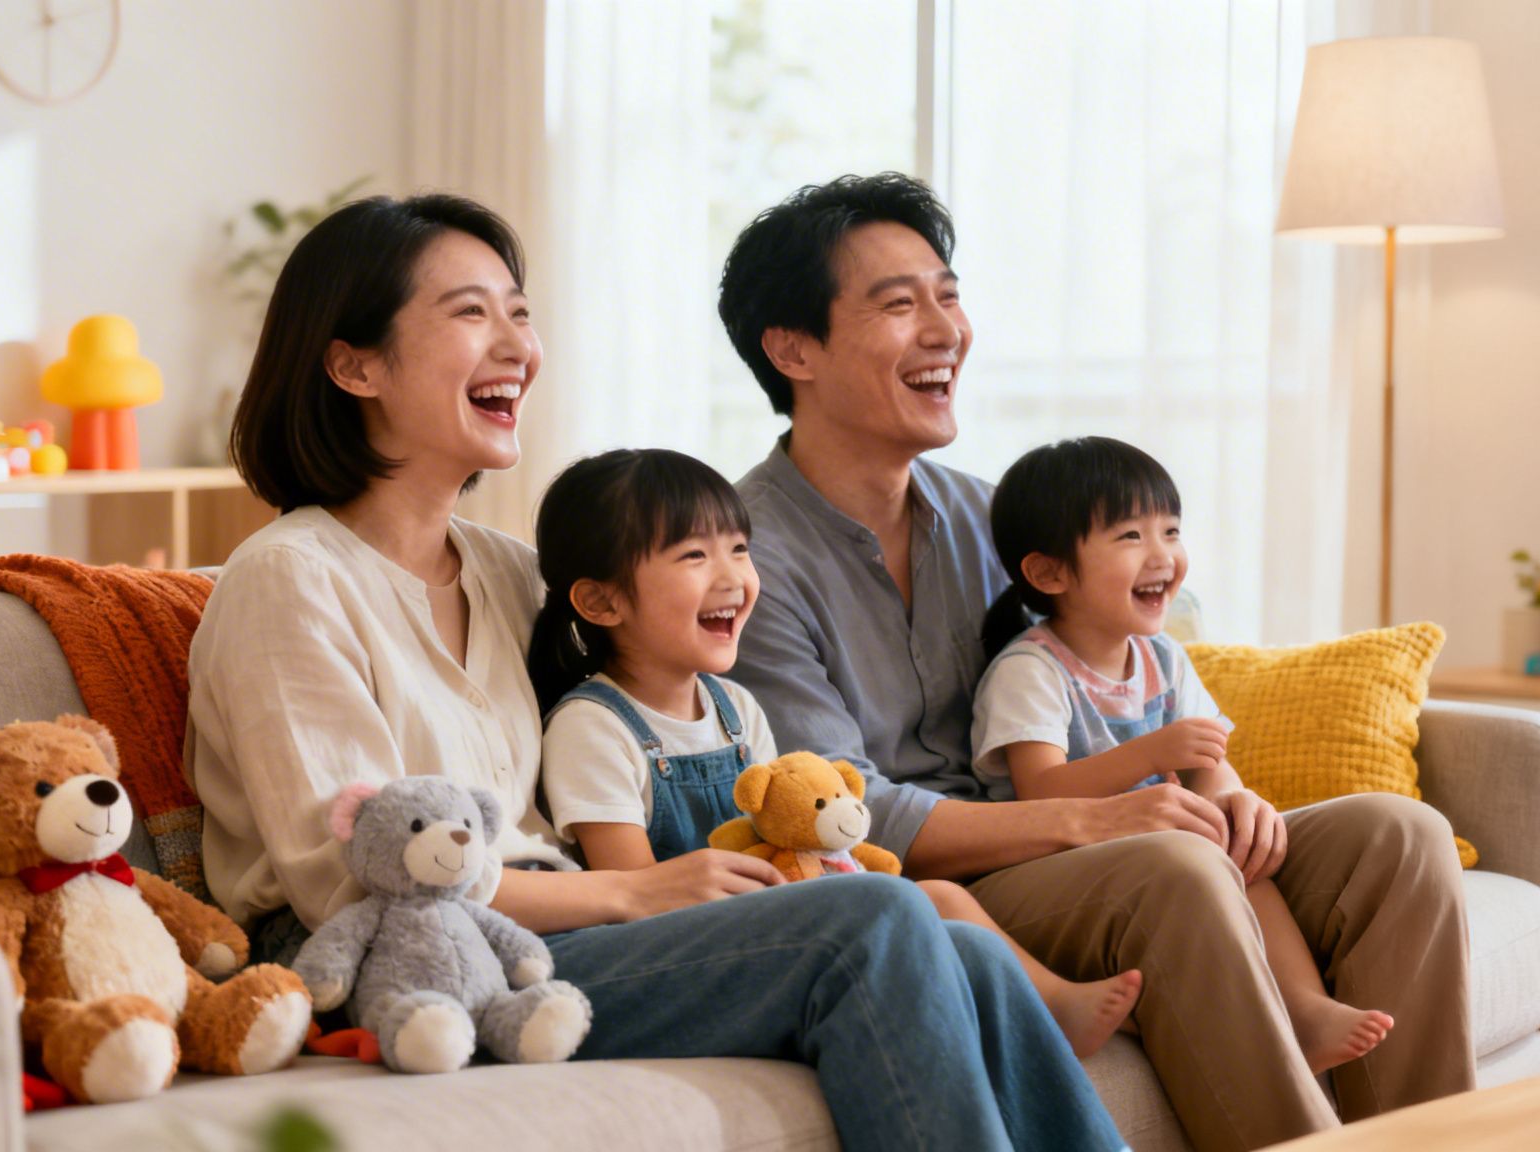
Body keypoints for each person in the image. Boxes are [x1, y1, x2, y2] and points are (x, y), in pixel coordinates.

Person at [185, 192, 1126, 1152]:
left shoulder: (510, 572)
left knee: (962, 943)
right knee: (870, 919)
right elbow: (354, 883)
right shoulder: (289, 579)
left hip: (557, 936)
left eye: (520, 311)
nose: (518, 345)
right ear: (355, 364)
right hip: (414, 966)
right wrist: (635, 892)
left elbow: (631, 733)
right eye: (471, 313)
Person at [719, 172, 1475, 1152]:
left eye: (947, 295)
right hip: (943, 885)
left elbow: (1140, 654)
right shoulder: (745, 561)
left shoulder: (997, 517)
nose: (944, 328)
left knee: (1396, 837)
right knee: (1171, 866)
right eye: (899, 304)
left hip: (1077, 845)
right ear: (793, 349)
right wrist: (1091, 817)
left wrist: (1227, 790)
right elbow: (841, 801)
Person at [530, 446, 1142, 1057]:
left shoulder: (734, 707)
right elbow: (635, 893)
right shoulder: (594, 726)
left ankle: (1046, 1010)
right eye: (694, 555)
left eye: (739, 549)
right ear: (602, 603)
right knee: (914, 908)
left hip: (771, 908)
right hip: (693, 947)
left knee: (942, 903)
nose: (733, 577)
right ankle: (1043, 1016)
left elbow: (779, 830)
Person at [972, 435, 1393, 1073]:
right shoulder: (1030, 669)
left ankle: (1303, 1009)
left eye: (1171, 530)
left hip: (1152, 848)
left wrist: (1234, 801)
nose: (1163, 555)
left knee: (1234, 848)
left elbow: (1208, 761)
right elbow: (1040, 788)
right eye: (1131, 536)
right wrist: (1154, 750)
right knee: (1199, 855)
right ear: (1050, 573)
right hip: (1053, 864)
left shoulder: (1163, 658)